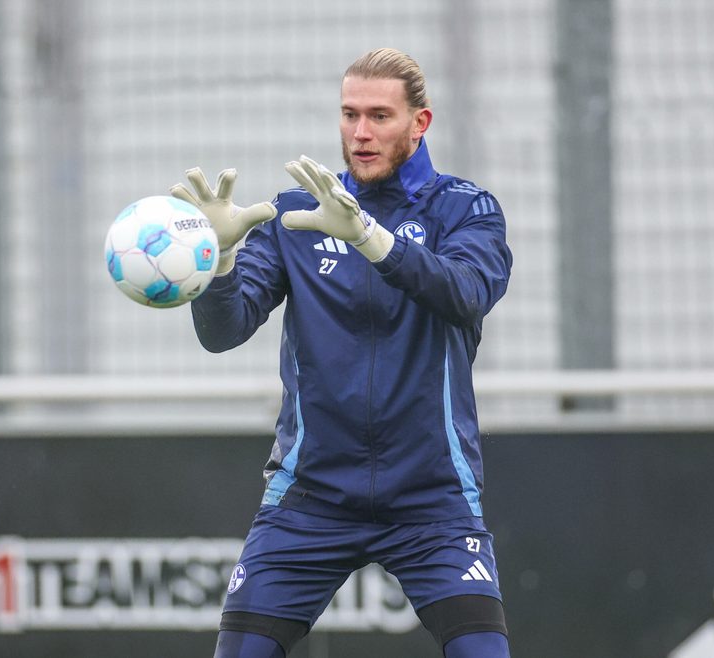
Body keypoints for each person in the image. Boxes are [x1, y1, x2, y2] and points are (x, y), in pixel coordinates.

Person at [171, 47, 513, 658]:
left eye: (380, 116)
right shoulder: (295, 216)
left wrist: (371, 240)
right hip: (311, 498)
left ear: (420, 123)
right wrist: (216, 263)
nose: (360, 133)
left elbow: (465, 293)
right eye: (349, 114)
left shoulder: (465, 209)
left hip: (430, 500)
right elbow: (223, 330)